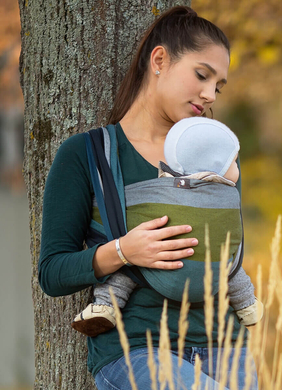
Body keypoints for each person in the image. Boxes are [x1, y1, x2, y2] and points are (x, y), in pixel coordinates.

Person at [39, 6, 258, 390]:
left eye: (218, 86)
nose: (209, 95)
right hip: (137, 348)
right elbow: (52, 272)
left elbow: (226, 254)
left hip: (225, 345)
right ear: (160, 60)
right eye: (201, 75)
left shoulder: (217, 157)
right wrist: (123, 251)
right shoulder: (88, 153)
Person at [71, 117, 262, 338]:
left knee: (129, 268)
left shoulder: (163, 187)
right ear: (217, 164)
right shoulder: (230, 197)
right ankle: (247, 306)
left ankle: (105, 306)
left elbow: (131, 204)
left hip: (161, 268)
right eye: (233, 161)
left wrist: (99, 210)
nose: (236, 168)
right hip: (213, 275)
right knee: (231, 268)